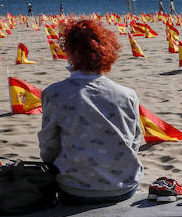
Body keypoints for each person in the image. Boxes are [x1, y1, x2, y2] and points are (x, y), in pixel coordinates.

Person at [38, 18, 143, 205]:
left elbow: (49, 147)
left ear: (69, 52)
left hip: (75, 189)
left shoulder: (54, 94)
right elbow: (134, 141)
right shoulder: (127, 95)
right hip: (124, 186)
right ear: (108, 52)